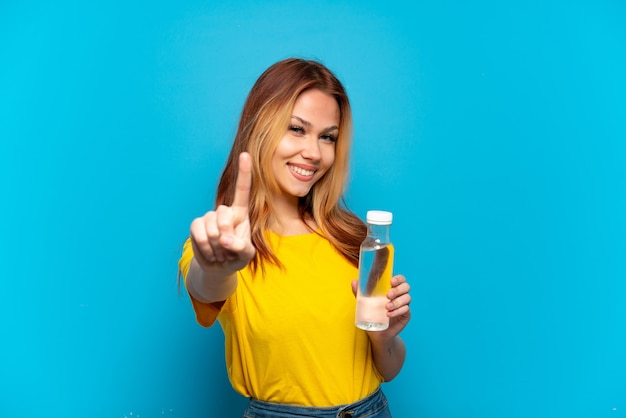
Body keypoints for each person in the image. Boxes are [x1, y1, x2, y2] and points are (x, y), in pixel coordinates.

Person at [178, 58, 411, 417]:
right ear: (259, 129)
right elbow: (206, 285)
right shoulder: (222, 245)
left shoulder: (356, 240)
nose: (314, 153)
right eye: (297, 129)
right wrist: (215, 266)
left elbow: (389, 368)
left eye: (327, 137)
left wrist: (385, 336)